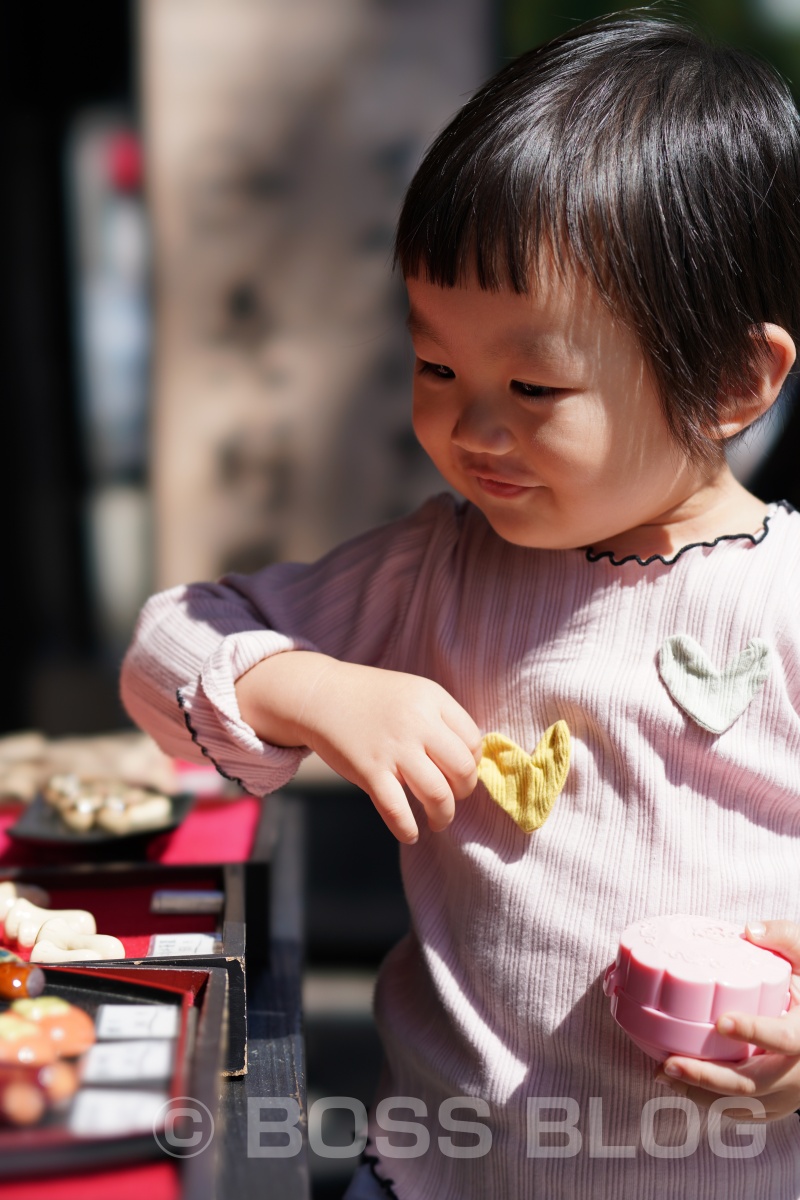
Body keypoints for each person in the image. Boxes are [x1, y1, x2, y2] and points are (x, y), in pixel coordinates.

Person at [121, 12, 800, 1197]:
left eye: (533, 385)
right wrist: (308, 685)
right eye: (436, 367)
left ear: (733, 381)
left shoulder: (779, 598)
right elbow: (169, 637)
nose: (471, 431)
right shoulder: (437, 568)